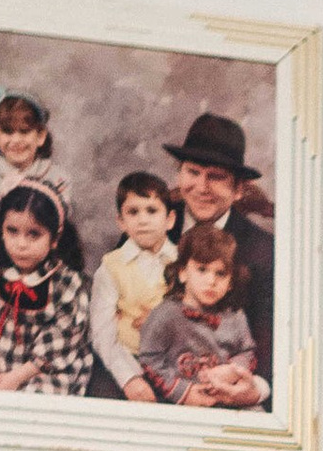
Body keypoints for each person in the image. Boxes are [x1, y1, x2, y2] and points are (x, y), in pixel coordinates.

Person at [163, 109, 275, 380]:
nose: (201, 187)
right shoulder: (151, 222)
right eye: (193, 172)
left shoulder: (263, 253)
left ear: (239, 190)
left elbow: (266, 351)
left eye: (215, 176)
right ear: (180, 175)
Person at [0, 182, 95, 395]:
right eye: (12, 231)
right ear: (1, 229)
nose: (21, 244)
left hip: (45, 368)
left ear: (54, 239)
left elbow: (62, 338)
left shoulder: (65, 281)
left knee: (33, 409)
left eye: (34, 234)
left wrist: (16, 378)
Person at [137, 222, 269, 409]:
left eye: (221, 274)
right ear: (182, 273)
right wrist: (183, 392)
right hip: (183, 400)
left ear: (231, 282)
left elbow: (246, 350)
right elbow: (149, 358)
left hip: (227, 396)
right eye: (202, 270)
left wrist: (230, 372)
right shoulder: (165, 314)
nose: (211, 281)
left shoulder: (235, 316)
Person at [0, 83, 69, 320]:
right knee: (0, 312)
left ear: (41, 136)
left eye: (24, 132)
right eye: (8, 132)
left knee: (49, 310)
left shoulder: (57, 175)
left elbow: (61, 223)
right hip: (3, 256)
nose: (16, 140)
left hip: (46, 258)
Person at [92, 166, 179, 395]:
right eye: (133, 212)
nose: (143, 220)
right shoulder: (111, 267)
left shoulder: (183, 262)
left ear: (169, 220)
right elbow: (102, 332)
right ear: (121, 221)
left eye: (152, 211)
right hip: (126, 357)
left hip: (175, 362)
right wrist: (129, 378)